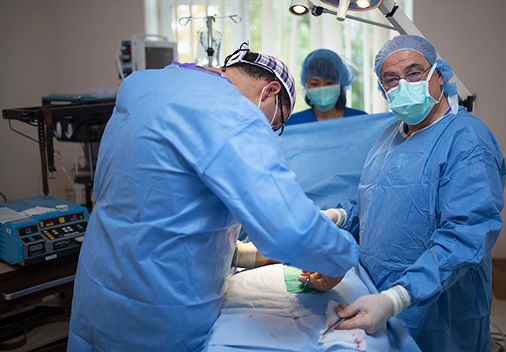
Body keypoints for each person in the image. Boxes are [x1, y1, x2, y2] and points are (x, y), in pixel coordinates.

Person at [67, 42, 359, 351]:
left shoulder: (147, 85)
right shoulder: (233, 113)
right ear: (271, 90)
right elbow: (289, 228)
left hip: (96, 291)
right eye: (276, 123)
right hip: (154, 311)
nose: (270, 130)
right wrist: (342, 256)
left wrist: (245, 254)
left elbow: (162, 206)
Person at [300, 35, 506, 352]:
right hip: (377, 296)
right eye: (391, 79)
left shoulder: (466, 139)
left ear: (438, 75)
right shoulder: (389, 137)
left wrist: (396, 297)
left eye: (414, 73)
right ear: (383, 90)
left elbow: (468, 234)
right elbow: (378, 203)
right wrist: (338, 217)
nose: (403, 83)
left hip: (439, 308)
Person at [285, 48, 367, 125]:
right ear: (306, 85)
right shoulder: (292, 124)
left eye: (329, 83)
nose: (322, 89)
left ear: (340, 85)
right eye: (314, 84)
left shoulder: (362, 121)